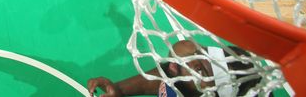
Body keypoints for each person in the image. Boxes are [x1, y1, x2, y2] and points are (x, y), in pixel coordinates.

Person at [87, 40, 267, 96]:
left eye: (200, 70)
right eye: (200, 53)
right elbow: (164, 75)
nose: (188, 61)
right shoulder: (183, 56)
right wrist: (120, 90)